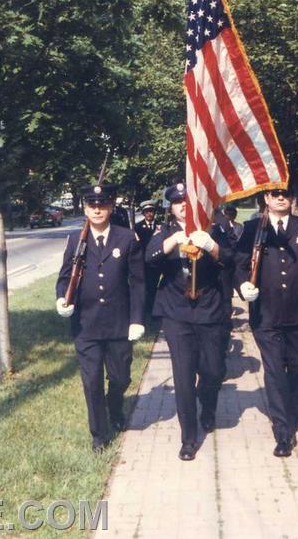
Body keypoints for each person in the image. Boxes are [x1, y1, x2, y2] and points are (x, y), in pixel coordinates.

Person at [236, 187, 298, 457]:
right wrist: (242, 285)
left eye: (286, 194)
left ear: (292, 199)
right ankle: (283, 432)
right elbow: (239, 264)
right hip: (266, 314)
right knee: (274, 371)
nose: (281, 198)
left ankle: (289, 410)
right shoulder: (251, 229)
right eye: (275, 194)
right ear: (266, 199)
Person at [56, 183, 146, 451]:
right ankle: (99, 435)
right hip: (86, 325)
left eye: (103, 205)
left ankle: (115, 405)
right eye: (92, 206)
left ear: (111, 207)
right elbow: (64, 278)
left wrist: (137, 319)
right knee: (91, 380)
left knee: (120, 378)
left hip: (119, 324)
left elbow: (138, 282)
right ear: (84, 208)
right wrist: (62, 298)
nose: (97, 210)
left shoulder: (127, 238)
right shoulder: (75, 240)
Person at [145, 184, 231, 460]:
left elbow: (232, 259)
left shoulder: (214, 230)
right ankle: (188, 439)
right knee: (183, 377)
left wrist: (212, 246)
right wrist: (173, 242)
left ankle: (207, 406)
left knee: (214, 370)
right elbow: (150, 260)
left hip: (209, 310)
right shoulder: (164, 233)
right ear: (170, 207)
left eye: (188, 201)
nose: (183, 205)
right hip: (177, 313)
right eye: (177, 202)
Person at [134, 200, 163, 318]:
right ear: (143, 213)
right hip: (145, 263)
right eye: (146, 212)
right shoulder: (138, 227)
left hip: (159, 261)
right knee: (148, 287)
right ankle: (148, 310)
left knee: (159, 287)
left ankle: (158, 309)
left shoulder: (161, 226)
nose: (149, 214)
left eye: (151, 211)